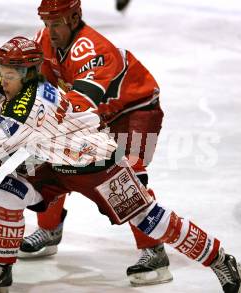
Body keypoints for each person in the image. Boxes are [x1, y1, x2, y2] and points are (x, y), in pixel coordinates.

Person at [0, 36, 241, 293]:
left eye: (8, 75)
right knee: (10, 191)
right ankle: (1, 268)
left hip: (98, 165)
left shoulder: (34, 104)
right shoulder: (7, 83)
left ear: (28, 74)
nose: (1, 81)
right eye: (0, 72)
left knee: (151, 220)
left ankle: (219, 259)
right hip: (53, 162)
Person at [19, 0, 168, 286]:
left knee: (128, 175)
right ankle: (49, 231)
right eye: (46, 23)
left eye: (57, 23)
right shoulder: (44, 41)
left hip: (135, 109)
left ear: (75, 17)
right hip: (95, 112)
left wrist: (47, 124)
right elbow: (40, 90)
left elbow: (78, 105)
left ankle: (154, 251)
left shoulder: (93, 50)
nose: (50, 31)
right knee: (50, 154)